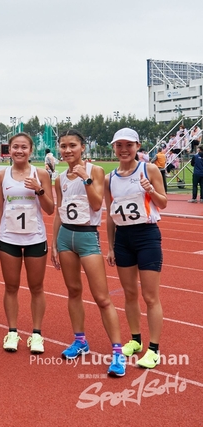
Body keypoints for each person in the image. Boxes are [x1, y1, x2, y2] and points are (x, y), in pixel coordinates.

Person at [50, 129, 125, 377]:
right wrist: (53, 242)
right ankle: (80, 340)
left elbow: (96, 204)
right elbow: (60, 212)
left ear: (83, 148)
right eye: (63, 146)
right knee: (73, 291)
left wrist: (85, 177)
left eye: (72, 145)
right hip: (65, 238)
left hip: (87, 236)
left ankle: (117, 352)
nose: (67, 150)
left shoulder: (95, 171)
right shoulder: (60, 178)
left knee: (102, 297)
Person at [105, 127, 167, 369]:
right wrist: (110, 246)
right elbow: (110, 215)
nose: (124, 149)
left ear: (137, 147)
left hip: (147, 236)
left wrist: (151, 190)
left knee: (150, 296)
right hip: (123, 238)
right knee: (130, 294)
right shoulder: (110, 178)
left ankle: (153, 348)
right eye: (119, 145)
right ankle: (135, 340)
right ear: (114, 148)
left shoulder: (148, 169)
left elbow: (163, 202)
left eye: (128, 145)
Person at [0, 132, 54, 354]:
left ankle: (36, 334)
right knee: (11, 286)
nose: (19, 151)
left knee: (36, 287)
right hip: (8, 237)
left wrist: (38, 189)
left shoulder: (41, 174)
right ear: (9, 150)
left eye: (24, 147)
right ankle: (12, 332)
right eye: (15, 147)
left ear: (31, 150)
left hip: (35, 237)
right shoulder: (1, 175)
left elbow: (50, 209)